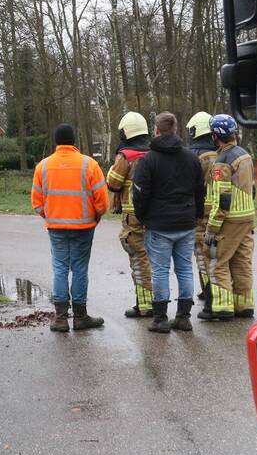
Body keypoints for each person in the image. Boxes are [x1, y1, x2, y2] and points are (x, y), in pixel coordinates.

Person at [131, 113, 206, 333]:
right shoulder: (191, 158)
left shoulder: (149, 160)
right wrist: (198, 214)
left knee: (160, 271)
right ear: (176, 129)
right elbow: (199, 190)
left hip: (159, 224)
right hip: (186, 221)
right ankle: (183, 317)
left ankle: (160, 319)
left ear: (156, 130)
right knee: (184, 269)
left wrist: (142, 217)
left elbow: (140, 193)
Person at [31, 124, 110, 333]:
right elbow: (102, 199)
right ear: (74, 141)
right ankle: (81, 316)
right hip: (84, 226)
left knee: (59, 268)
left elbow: (37, 201)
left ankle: (60, 318)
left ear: (56, 141)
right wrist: (96, 216)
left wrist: (49, 216)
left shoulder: (43, 166)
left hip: (56, 227)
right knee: (79, 269)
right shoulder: (89, 164)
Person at [200, 114, 257, 321]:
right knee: (242, 261)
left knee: (216, 259)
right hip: (247, 216)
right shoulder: (245, 155)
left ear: (215, 136)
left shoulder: (222, 160)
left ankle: (221, 307)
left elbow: (222, 199)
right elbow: (252, 189)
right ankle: (244, 305)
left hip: (229, 219)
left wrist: (212, 229)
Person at [106, 111, 154, 319]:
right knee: (154, 259)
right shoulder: (154, 153)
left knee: (139, 258)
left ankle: (145, 305)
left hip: (133, 216)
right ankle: (155, 301)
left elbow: (113, 183)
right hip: (156, 214)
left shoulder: (125, 156)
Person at [186, 111, 217, 301]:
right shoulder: (224, 153)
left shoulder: (194, 157)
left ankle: (208, 290)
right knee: (219, 253)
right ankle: (221, 289)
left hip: (201, 210)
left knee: (201, 251)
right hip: (222, 209)